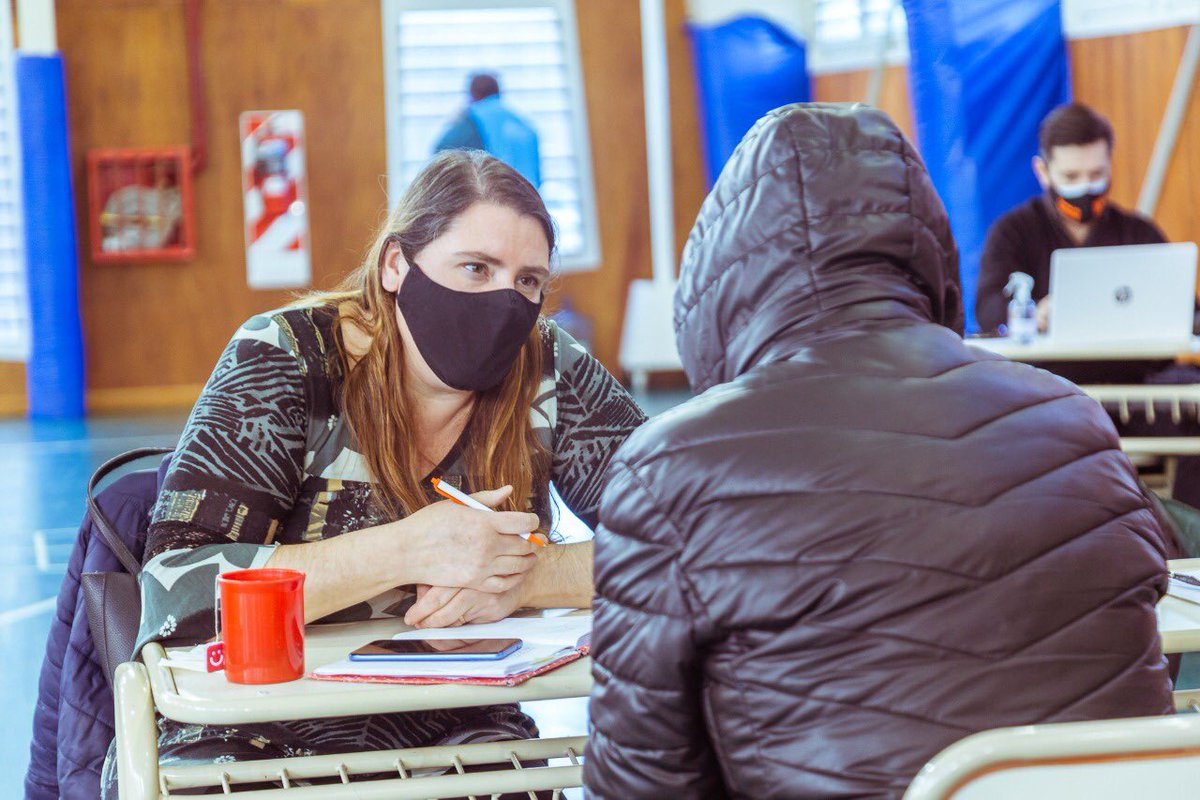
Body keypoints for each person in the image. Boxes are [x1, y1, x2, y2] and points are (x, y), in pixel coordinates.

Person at [585, 103, 1178, 799]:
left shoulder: (668, 472)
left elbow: (641, 782)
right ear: (925, 244)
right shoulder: (1075, 424)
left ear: (724, 273)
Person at [100, 150, 645, 796]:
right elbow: (174, 595)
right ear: (395, 266)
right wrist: (405, 550)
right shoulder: (286, 359)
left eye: (528, 281)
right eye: (475, 268)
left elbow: (698, 542)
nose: (504, 301)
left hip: (454, 727)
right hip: (253, 731)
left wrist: (526, 579)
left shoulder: (547, 368)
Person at [976, 102, 1166, 334]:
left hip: (1135, 368)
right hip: (1044, 368)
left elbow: (1186, 310)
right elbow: (988, 308)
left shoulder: (1140, 234)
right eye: (1071, 176)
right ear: (1043, 172)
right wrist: (1033, 314)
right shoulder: (1012, 232)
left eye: (1096, 174)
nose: (1085, 187)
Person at [435, 72, 541, 187]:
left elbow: (441, 153)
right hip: (527, 196)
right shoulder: (523, 124)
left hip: (494, 194)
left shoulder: (471, 122)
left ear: (472, 94)